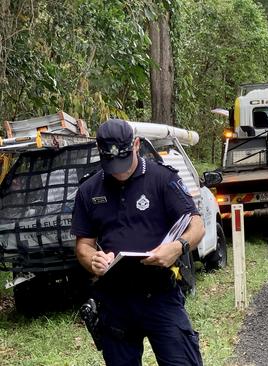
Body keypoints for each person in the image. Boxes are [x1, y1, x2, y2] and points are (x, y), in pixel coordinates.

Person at [71, 119, 205, 365]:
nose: (119, 171)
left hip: (160, 294)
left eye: (123, 163)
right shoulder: (89, 190)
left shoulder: (163, 179)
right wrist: (93, 259)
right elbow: (83, 245)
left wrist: (177, 248)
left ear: (136, 144)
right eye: (112, 165)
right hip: (115, 299)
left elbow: (196, 226)